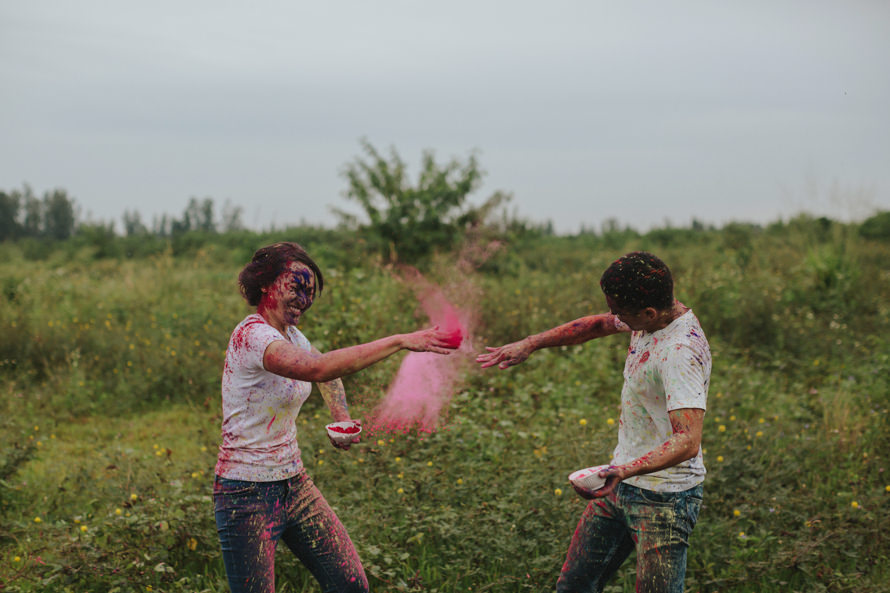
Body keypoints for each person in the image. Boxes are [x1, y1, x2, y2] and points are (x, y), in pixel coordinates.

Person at [214, 241, 458, 593]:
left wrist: (341, 416)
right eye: (295, 287)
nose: (304, 298)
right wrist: (401, 340)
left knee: (351, 584)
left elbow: (328, 373)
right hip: (245, 493)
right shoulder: (252, 336)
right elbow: (319, 368)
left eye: (310, 291)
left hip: (294, 485)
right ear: (265, 284)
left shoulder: (292, 335)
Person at [477, 251, 711, 593]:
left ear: (648, 312)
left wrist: (623, 471)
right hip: (618, 484)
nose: (614, 317)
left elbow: (688, 441)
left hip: (665, 500)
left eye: (621, 313)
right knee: (573, 586)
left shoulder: (680, 352)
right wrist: (531, 344)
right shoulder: (654, 314)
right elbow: (597, 324)